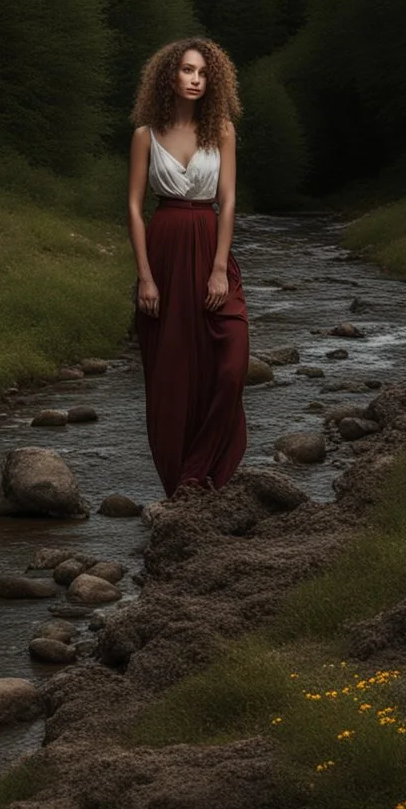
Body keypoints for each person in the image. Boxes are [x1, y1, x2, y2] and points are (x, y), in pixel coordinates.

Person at [128, 37, 249, 499]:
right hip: (163, 251)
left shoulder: (221, 130)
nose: (196, 79)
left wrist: (220, 268)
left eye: (202, 73)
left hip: (208, 248)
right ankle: (184, 484)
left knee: (232, 360)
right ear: (168, 77)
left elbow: (229, 199)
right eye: (187, 71)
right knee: (171, 373)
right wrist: (145, 276)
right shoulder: (145, 135)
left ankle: (206, 468)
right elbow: (135, 208)